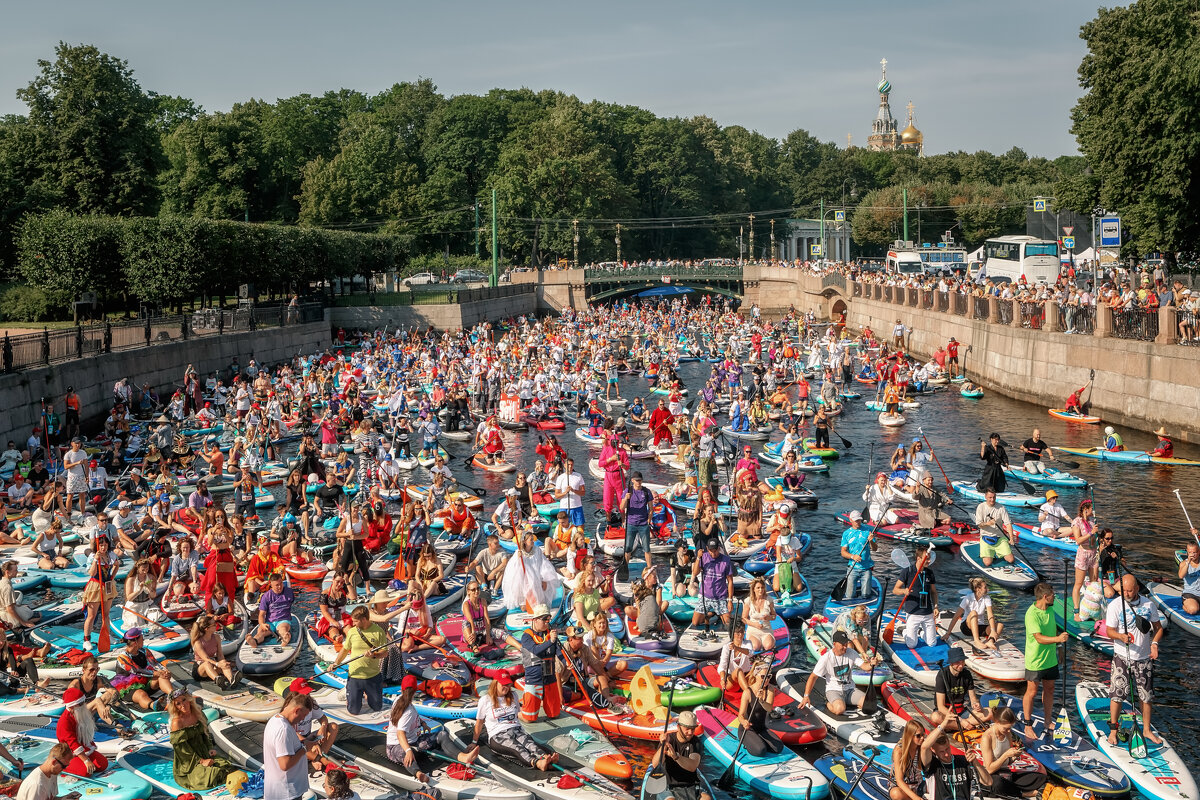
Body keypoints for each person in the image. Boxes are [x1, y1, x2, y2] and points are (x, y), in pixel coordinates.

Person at [1105, 573, 1164, 746]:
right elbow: (1109, 631)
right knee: (1117, 695)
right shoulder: (1115, 605)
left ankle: (1146, 730)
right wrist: (1121, 637)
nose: (1127, 594)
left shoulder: (1149, 604)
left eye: (1130, 591)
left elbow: (1158, 628)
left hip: (1144, 657)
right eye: (1124, 591)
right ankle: (1113, 731)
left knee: (1146, 696)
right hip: (1122, 656)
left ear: (1137, 588)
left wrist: (1154, 643)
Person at [461, 672, 558, 771]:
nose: (506, 687)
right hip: (498, 735)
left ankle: (546, 758)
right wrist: (474, 742)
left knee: (530, 745)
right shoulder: (485, 700)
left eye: (508, 684)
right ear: (495, 683)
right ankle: (537, 763)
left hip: (517, 730)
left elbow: (517, 715)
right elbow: (479, 722)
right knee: (518, 748)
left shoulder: (513, 695)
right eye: (503, 684)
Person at [1022, 583, 1068, 742]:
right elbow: (1039, 638)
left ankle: (1047, 721)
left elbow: (1053, 628)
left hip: (1050, 659)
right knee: (1032, 691)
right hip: (1035, 660)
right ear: (1045, 597)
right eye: (1053, 595)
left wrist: (1060, 647)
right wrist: (1058, 639)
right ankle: (1028, 725)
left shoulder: (1049, 609)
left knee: (1050, 688)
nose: (1054, 597)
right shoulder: (1031, 614)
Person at [167, 687, 234, 790]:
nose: (183, 705)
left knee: (225, 766)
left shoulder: (198, 713)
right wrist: (201, 761)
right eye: (178, 703)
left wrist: (210, 748)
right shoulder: (177, 722)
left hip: (203, 752)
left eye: (184, 700)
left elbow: (204, 735)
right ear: (175, 707)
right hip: (189, 761)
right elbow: (182, 751)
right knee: (210, 776)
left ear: (189, 699)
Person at [975, 708, 1046, 799]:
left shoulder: (1007, 734)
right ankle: (1022, 793)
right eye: (1006, 728)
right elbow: (989, 769)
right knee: (998, 784)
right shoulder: (987, 737)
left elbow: (1008, 762)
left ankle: (1012, 790)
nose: (1009, 731)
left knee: (1041, 778)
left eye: (1010, 728)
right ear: (997, 722)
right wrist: (1006, 755)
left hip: (1005, 773)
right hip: (992, 776)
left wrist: (1014, 756)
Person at [332, 606, 388, 716]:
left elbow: (385, 653)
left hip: (373, 676)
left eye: (355, 621)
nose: (353, 624)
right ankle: (350, 693)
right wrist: (335, 663)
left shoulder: (378, 631)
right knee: (354, 711)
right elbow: (344, 650)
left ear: (364, 620)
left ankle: (366, 694)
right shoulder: (352, 632)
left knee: (377, 707)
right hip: (355, 675)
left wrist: (374, 655)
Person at [797, 630, 866, 715]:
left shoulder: (851, 652)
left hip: (850, 689)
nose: (845, 647)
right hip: (834, 690)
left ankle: (847, 702)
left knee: (868, 704)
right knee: (839, 710)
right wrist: (806, 696)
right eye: (842, 645)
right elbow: (813, 677)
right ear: (834, 644)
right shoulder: (826, 658)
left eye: (846, 644)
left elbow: (865, 667)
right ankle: (828, 703)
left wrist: (872, 664)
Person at [385, 674, 438, 782]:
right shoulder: (407, 710)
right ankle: (418, 773)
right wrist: (408, 750)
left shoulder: (403, 700)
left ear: (401, 688)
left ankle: (462, 757)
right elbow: (400, 734)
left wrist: (423, 723)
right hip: (395, 746)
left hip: (414, 741)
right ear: (415, 691)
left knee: (441, 735)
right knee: (406, 754)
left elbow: (414, 716)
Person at [649, 709, 710, 800]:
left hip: (690, 784)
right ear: (678, 727)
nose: (690, 732)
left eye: (693, 729)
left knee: (706, 798)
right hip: (668, 785)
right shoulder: (669, 739)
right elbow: (655, 764)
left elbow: (693, 765)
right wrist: (663, 746)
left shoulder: (696, 742)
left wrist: (676, 757)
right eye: (687, 729)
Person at [263, 693, 313, 800]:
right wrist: (304, 749)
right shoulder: (283, 730)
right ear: (297, 710)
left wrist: (303, 743)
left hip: (278, 791)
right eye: (303, 715)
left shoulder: (274, 720)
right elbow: (285, 764)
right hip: (287, 793)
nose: (302, 719)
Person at [518, 604, 561, 722]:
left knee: (555, 715)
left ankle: (542, 702)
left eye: (549, 619)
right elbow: (536, 650)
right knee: (529, 719)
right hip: (534, 678)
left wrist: (567, 663)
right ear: (535, 620)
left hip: (549, 677)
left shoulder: (550, 634)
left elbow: (558, 651)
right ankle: (519, 711)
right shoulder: (526, 636)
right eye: (544, 620)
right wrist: (551, 641)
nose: (547, 622)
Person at [931, 648, 992, 731]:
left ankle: (956, 726)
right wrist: (961, 720)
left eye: (962, 661)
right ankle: (965, 726)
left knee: (989, 712)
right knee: (935, 717)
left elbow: (973, 698)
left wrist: (976, 705)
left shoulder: (967, 674)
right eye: (957, 662)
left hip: (961, 711)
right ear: (951, 663)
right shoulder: (942, 674)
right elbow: (940, 707)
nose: (961, 665)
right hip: (947, 713)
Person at [894, 543, 938, 649]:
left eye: (929, 559)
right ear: (919, 558)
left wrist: (936, 606)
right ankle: (904, 631)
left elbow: (933, 592)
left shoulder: (929, 572)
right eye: (926, 559)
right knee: (912, 644)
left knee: (932, 643)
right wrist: (904, 591)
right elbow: (895, 590)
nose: (929, 561)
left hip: (927, 612)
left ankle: (921, 633)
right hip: (913, 612)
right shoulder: (907, 571)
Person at [56, 687, 107, 776]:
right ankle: (63, 767)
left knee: (103, 764)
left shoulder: (78, 714)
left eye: (83, 702)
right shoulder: (65, 721)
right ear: (72, 706)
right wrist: (86, 760)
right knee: (85, 772)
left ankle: (79, 765)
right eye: (80, 703)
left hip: (83, 748)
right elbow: (72, 743)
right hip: (69, 753)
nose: (84, 705)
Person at [943, 577, 1003, 651]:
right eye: (985, 587)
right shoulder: (968, 598)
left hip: (979, 627)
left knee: (1000, 625)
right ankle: (976, 641)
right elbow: (956, 616)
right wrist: (948, 633)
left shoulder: (987, 598)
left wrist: (993, 630)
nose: (988, 589)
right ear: (978, 589)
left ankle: (990, 641)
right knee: (974, 612)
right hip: (967, 628)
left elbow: (990, 615)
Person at [920, 717, 973, 800]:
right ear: (933, 750)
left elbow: (988, 781)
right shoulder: (932, 765)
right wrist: (943, 724)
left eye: (947, 749)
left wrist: (976, 762)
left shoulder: (963, 760)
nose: (946, 754)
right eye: (941, 751)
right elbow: (924, 747)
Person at [689, 536, 734, 632]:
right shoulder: (703, 557)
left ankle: (717, 613)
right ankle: (712, 614)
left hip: (720, 597)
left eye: (715, 550)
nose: (713, 553)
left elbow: (730, 581)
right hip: (705, 596)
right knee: (695, 622)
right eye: (711, 551)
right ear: (707, 549)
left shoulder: (726, 560)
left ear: (718, 548)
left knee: (728, 623)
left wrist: (730, 600)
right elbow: (695, 572)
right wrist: (698, 558)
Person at [247, 573, 294, 647]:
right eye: (277, 585)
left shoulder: (289, 592)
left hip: (283, 619)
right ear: (271, 585)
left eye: (281, 583)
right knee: (261, 632)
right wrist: (262, 624)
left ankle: (285, 638)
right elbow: (261, 614)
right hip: (270, 622)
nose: (280, 587)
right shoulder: (266, 596)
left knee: (283, 629)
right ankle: (254, 641)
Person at [190, 614, 238, 687]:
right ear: (207, 628)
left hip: (213, 665)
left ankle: (232, 680)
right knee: (207, 663)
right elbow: (206, 658)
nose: (216, 625)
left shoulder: (216, 637)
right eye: (214, 625)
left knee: (223, 662)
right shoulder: (198, 642)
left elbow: (220, 655)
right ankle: (218, 680)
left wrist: (223, 663)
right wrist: (217, 664)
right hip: (201, 669)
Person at [620, 471, 655, 570]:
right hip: (631, 524)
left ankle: (649, 568)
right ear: (632, 481)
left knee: (646, 548)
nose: (639, 482)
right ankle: (625, 568)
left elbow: (651, 509)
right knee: (628, 548)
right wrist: (626, 499)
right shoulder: (628, 491)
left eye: (640, 480)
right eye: (637, 480)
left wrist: (648, 520)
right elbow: (622, 507)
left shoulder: (646, 492)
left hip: (643, 524)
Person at [974, 491, 1016, 570]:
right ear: (985, 497)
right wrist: (988, 523)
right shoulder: (981, 507)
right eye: (990, 497)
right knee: (987, 563)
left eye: (994, 497)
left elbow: (1008, 524)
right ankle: (988, 553)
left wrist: (1011, 538)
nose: (992, 500)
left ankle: (998, 551)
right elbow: (979, 525)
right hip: (986, 538)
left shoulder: (1001, 508)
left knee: (1011, 560)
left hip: (999, 538)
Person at [839, 510, 875, 601]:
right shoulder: (846, 534)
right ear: (850, 520)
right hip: (852, 568)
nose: (858, 522)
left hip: (866, 568)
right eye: (856, 520)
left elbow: (875, 549)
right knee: (850, 596)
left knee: (866, 595)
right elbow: (843, 552)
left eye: (859, 520)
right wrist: (853, 556)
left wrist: (871, 541)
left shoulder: (867, 530)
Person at [888, 720, 927, 800]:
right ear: (910, 736)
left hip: (918, 784)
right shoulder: (899, 751)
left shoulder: (922, 746)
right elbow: (899, 780)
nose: (922, 738)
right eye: (918, 736)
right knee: (896, 794)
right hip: (902, 787)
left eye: (923, 734)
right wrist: (915, 798)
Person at [553, 458, 586, 528]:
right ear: (564, 465)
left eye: (571, 465)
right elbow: (556, 495)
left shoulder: (578, 476)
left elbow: (583, 493)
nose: (570, 467)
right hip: (564, 507)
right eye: (568, 465)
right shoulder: (560, 478)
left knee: (580, 527)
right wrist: (565, 492)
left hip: (577, 506)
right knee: (563, 528)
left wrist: (573, 490)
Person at [1178, 538, 1200, 616]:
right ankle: (1186, 605)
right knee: (1193, 610)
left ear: (1199, 552)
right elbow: (1181, 575)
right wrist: (1188, 563)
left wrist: (1197, 534)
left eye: (1194, 552)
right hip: (1190, 593)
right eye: (1190, 552)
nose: (1192, 555)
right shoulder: (1184, 563)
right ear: (1187, 552)